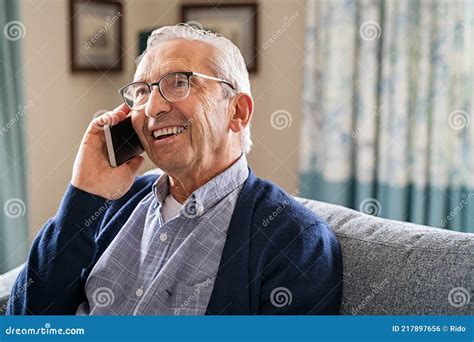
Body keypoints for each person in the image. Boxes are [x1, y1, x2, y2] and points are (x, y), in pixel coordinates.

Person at [7, 24, 342, 315]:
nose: (152, 107)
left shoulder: (296, 241)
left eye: (178, 83)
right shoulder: (112, 204)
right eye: (141, 92)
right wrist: (85, 194)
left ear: (238, 111)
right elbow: (26, 318)